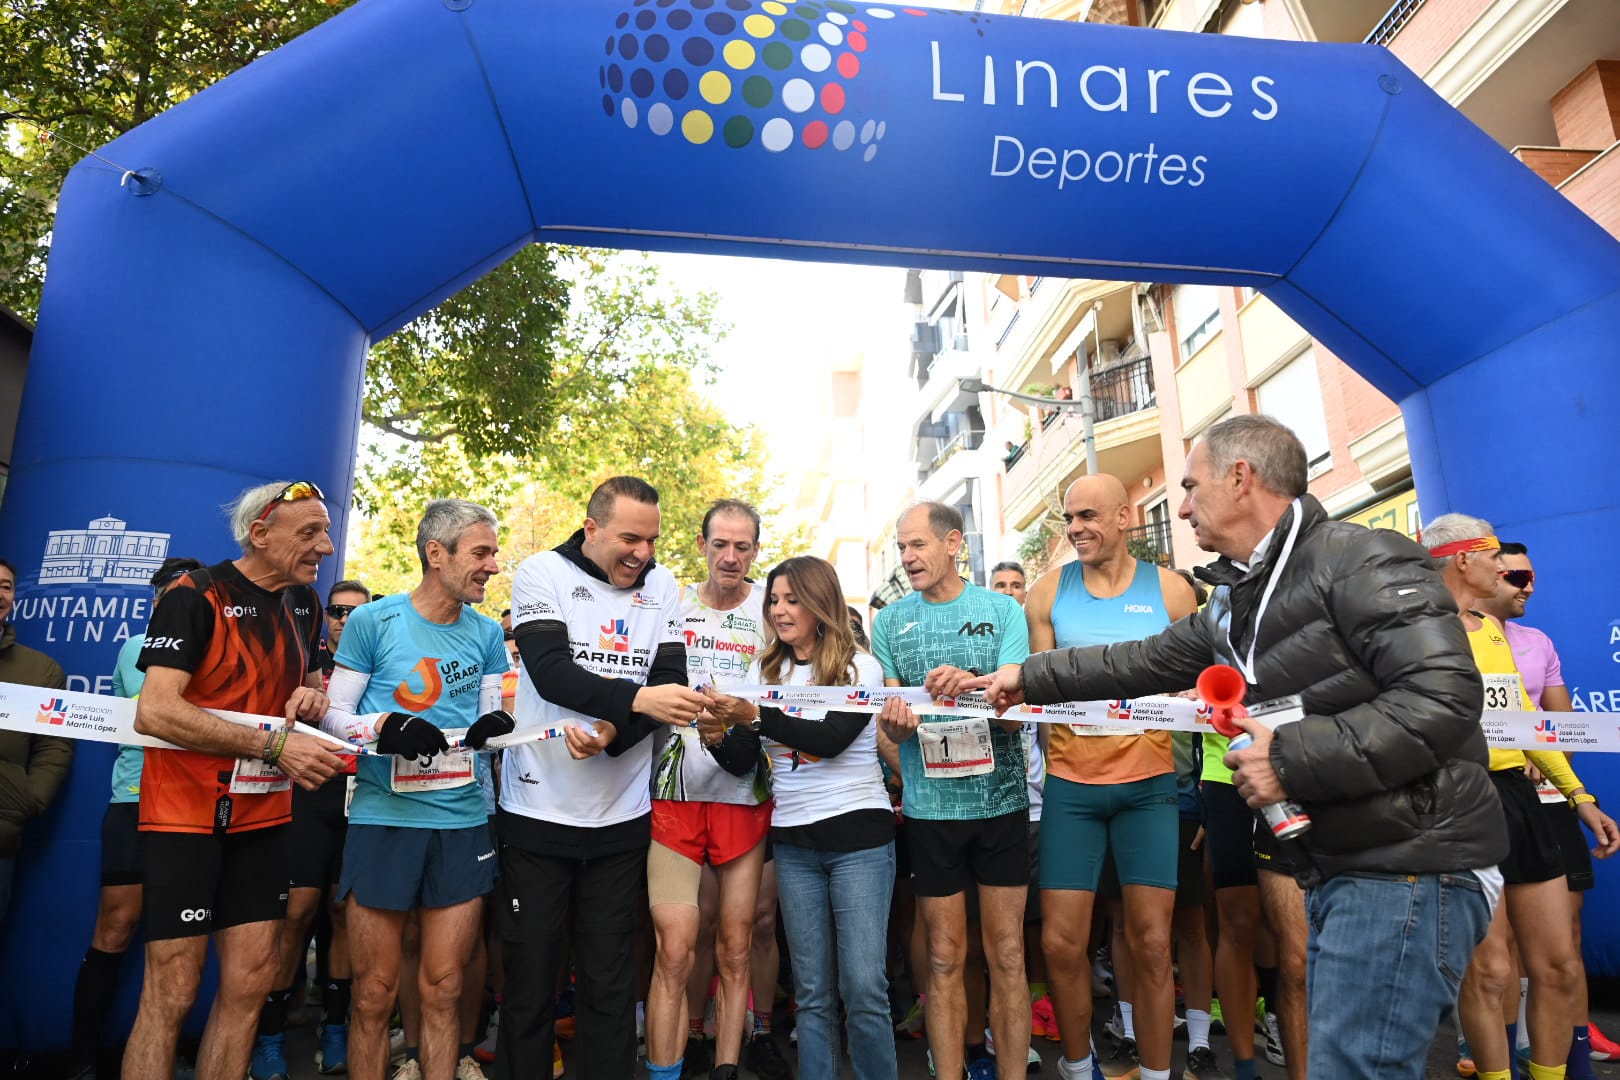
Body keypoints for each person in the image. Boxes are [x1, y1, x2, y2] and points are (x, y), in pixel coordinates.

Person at [972, 415, 1509, 1080]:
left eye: (1190, 488)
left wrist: (1286, 759)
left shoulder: (1364, 556)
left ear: (1240, 478)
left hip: (1414, 862)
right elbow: (1142, 660)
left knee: (1357, 1066)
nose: (1183, 508)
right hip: (1347, 859)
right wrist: (1026, 676)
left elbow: (1442, 701)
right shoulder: (1238, 596)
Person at [125, 479, 346, 1080]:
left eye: (326, 532)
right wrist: (274, 745)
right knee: (173, 991)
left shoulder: (305, 603)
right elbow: (156, 711)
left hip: (265, 817)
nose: (326, 547)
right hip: (186, 816)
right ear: (261, 534)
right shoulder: (196, 594)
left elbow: (310, 691)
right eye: (310, 533)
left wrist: (311, 699)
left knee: (251, 985)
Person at [496, 476, 709, 1080]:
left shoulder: (663, 586)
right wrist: (638, 702)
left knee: (611, 984)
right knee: (531, 981)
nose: (643, 553)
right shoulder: (541, 572)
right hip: (537, 813)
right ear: (591, 529)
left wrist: (616, 730)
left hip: (620, 820)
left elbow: (668, 686)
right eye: (629, 539)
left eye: (652, 540)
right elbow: (550, 673)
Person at [313, 499, 513, 1080]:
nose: (493, 566)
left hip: (461, 820)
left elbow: (492, 722)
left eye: (493, 553)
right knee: (374, 993)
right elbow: (333, 716)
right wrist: (383, 726)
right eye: (481, 553)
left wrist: (496, 729)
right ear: (436, 553)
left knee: (445, 987)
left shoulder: (486, 633)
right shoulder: (374, 621)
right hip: (384, 817)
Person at [1423, 515, 1620, 1080]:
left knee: (1558, 965)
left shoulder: (1489, 628)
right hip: (1458, 798)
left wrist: (1578, 796)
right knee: (1490, 971)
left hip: (1518, 794)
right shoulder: (1414, 628)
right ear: (1463, 559)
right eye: (1494, 557)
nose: (1506, 569)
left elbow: (1525, 723)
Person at [1022, 475, 1197, 1080]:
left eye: (1088, 516)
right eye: (1069, 518)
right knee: (1060, 944)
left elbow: (1197, 683)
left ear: (1125, 517)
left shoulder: (1172, 592)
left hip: (1148, 788)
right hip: (1072, 788)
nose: (1075, 528)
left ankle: (1156, 1074)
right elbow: (1037, 691)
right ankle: (1078, 1069)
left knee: (1153, 944)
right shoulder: (1047, 593)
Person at [698, 555, 899, 1080]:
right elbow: (745, 759)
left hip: (859, 841)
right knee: (811, 993)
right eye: (774, 600)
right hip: (793, 844)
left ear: (820, 604)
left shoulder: (860, 667)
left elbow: (831, 740)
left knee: (863, 988)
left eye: (792, 600)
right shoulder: (762, 671)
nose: (780, 610)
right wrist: (716, 737)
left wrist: (756, 716)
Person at [871, 502, 1031, 1080]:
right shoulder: (889, 622)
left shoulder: (1003, 610)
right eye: (901, 547)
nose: (908, 557)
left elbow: (1016, 720)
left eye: (917, 544)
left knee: (1007, 954)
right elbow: (889, 729)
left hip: (1001, 804)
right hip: (931, 810)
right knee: (943, 957)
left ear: (953, 543)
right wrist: (897, 730)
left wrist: (976, 689)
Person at [645, 499, 780, 1080]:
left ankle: (732, 1061)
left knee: (738, 942)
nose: (730, 557)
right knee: (680, 944)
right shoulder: (670, 605)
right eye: (720, 545)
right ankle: (675, 1057)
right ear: (701, 545)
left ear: (755, 551)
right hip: (675, 792)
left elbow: (795, 686)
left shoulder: (771, 612)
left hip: (744, 794)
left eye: (742, 547)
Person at [1481, 542, 1620, 1074]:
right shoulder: (1454, 632)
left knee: (1564, 942)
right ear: (1485, 573)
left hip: (1544, 794)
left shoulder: (1534, 641)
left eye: (1531, 576)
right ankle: (1493, 1051)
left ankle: (1575, 1055)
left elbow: (1560, 727)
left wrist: (1569, 785)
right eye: (1516, 576)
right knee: (1496, 956)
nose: (1528, 586)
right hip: (1481, 798)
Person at [66, 556, 203, 1080]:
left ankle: (167, 1048)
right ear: (157, 599)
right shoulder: (137, 646)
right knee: (117, 925)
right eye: (171, 592)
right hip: (136, 800)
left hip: (194, 805)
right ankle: (82, 1058)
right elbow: (168, 715)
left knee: (180, 938)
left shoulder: (215, 645)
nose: (181, 600)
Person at [252, 578, 372, 1080]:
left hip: (362, 795)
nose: (345, 619)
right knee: (297, 912)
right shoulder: (304, 658)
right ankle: (270, 1034)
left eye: (356, 612)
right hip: (307, 791)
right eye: (337, 611)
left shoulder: (381, 659)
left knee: (344, 912)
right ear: (325, 617)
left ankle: (337, 1027)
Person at [0, 554, 72, 927]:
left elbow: (53, 745)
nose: (0, 594)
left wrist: (25, 800)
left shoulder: (40, 670)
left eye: (6, 587)